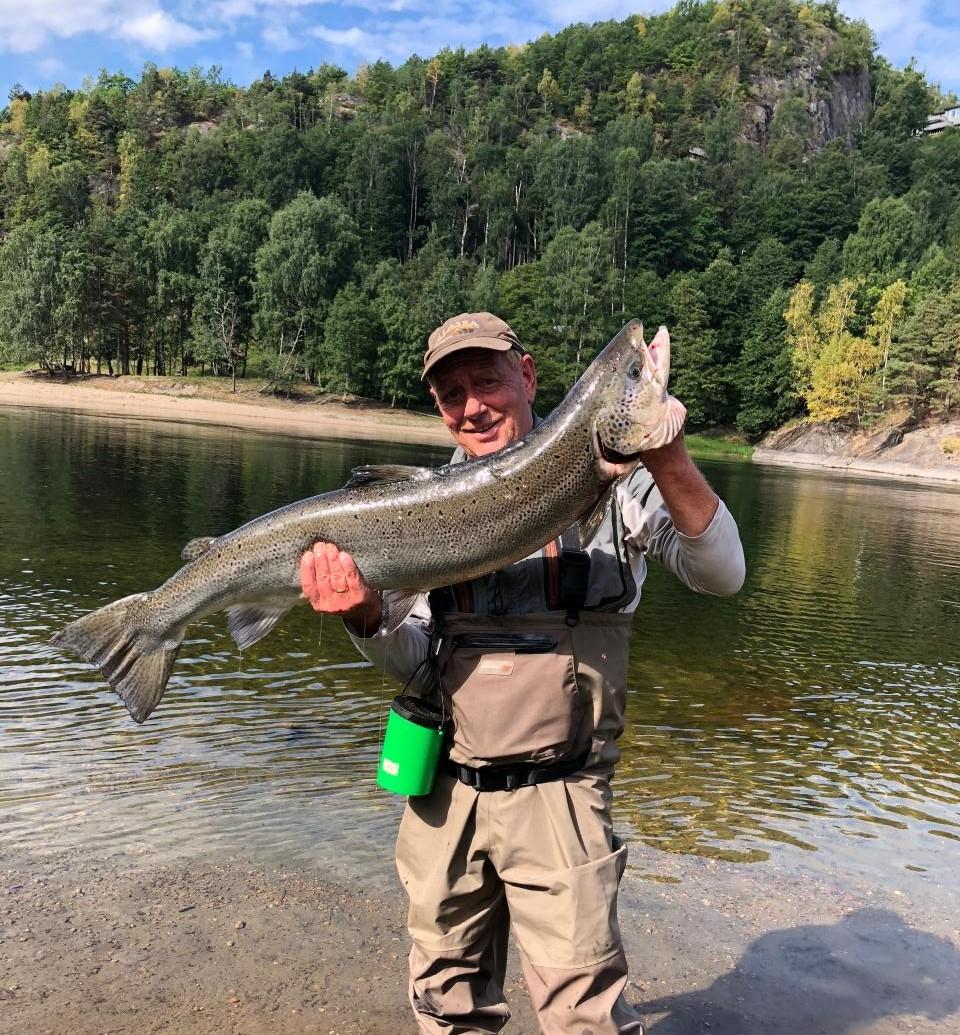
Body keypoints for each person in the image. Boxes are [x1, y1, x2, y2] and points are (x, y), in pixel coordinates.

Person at [299, 312, 746, 1034]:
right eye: (451, 394)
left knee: (584, 1018)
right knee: (446, 1007)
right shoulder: (418, 509)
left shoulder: (621, 488)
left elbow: (723, 573)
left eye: (486, 380)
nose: (471, 405)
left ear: (529, 375)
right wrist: (362, 616)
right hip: (446, 794)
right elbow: (415, 660)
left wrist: (666, 453)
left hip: (560, 799)